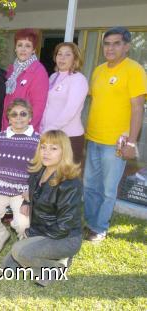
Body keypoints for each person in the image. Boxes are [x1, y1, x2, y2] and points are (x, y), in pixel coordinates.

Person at [84, 27, 147, 242]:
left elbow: (138, 108)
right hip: (93, 138)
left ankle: (100, 227)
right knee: (90, 186)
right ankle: (90, 221)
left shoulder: (134, 70)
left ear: (127, 46)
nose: (110, 48)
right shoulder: (98, 70)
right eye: (107, 43)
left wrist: (131, 142)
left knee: (108, 189)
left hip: (116, 143)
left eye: (116, 43)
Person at [1, 130, 82, 287]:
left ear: (64, 152)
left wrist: (31, 234)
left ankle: (56, 268)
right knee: (8, 266)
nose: (46, 152)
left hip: (65, 237)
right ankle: (52, 259)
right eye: (43, 147)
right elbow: (35, 196)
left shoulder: (70, 183)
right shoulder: (38, 172)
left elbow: (64, 226)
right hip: (43, 230)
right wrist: (26, 204)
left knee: (20, 252)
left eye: (53, 148)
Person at [0, 99, 40, 253]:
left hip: (23, 194)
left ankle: (24, 249)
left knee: (24, 223)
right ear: (8, 118)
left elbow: (42, 172)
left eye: (23, 114)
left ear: (30, 117)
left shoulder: (39, 141)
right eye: (14, 114)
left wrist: (29, 196)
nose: (18, 118)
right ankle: (0, 236)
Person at [40, 42, 88, 164]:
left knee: (65, 179)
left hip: (69, 138)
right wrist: (42, 128)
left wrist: (49, 129)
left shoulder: (78, 79)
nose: (62, 58)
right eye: (59, 54)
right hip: (50, 136)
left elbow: (70, 110)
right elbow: (47, 105)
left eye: (67, 55)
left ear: (75, 58)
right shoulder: (53, 77)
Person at [2, 28, 49, 132]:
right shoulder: (12, 70)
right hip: (8, 127)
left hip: (24, 130)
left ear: (33, 50)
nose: (23, 49)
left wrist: (24, 131)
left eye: (27, 46)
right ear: (15, 48)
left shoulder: (38, 72)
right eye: (20, 45)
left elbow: (38, 107)